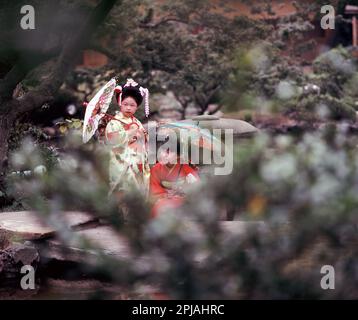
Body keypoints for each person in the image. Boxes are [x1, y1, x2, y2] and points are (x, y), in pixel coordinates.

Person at [104, 78, 150, 198]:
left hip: (138, 161)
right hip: (122, 162)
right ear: (120, 104)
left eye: (132, 105)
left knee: (138, 192)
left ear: (136, 107)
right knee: (124, 190)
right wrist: (130, 133)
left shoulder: (137, 122)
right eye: (125, 104)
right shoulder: (114, 122)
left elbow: (144, 139)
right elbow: (112, 140)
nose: (128, 108)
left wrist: (143, 135)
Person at [149, 141, 200, 218]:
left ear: (178, 155)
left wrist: (189, 185)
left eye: (169, 152)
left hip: (181, 200)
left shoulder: (185, 167)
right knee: (160, 209)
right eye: (162, 151)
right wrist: (166, 195)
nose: (164, 155)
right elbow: (155, 190)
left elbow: (197, 185)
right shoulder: (156, 169)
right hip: (163, 200)